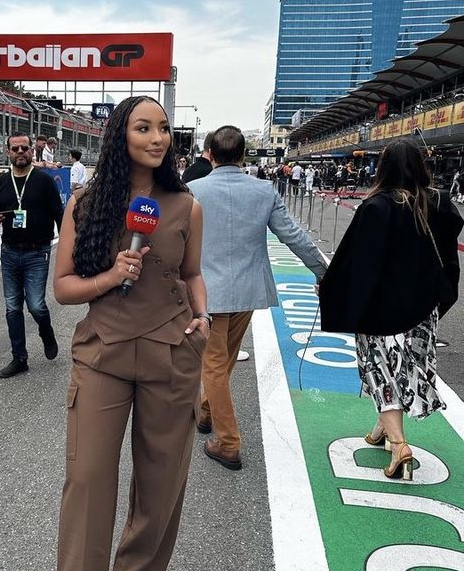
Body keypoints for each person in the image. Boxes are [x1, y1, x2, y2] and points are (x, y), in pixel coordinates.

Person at [48, 95, 209, 571]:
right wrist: (113, 275)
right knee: (88, 482)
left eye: (165, 127)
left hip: (172, 354)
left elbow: (192, 273)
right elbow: (62, 289)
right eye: (144, 127)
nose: (159, 136)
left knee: (159, 481)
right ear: (120, 135)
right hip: (103, 353)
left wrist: (203, 311)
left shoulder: (186, 206)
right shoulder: (86, 205)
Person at [319, 139, 463, 479]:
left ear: (383, 169)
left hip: (382, 310)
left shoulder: (378, 207)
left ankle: (399, 444)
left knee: (380, 370)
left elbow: (359, 263)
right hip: (422, 307)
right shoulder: (441, 203)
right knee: (408, 369)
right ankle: (382, 428)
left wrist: (334, 290)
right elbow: (449, 264)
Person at [189, 126, 327, 469]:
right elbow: (294, 236)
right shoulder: (264, 190)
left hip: (207, 293)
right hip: (248, 291)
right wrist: (324, 272)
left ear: (209, 154)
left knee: (215, 364)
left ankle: (228, 441)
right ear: (242, 156)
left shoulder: (192, 190)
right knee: (223, 361)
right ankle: (206, 410)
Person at [0, 134, 64, 378]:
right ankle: (19, 358)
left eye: (25, 148)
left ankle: (46, 331)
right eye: (15, 148)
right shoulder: (0, 183)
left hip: (37, 251)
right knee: (12, 307)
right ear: (7, 152)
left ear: (32, 151)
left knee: (36, 305)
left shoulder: (44, 181)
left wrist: (67, 248)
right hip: (9, 251)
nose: (20, 152)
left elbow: (60, 216)